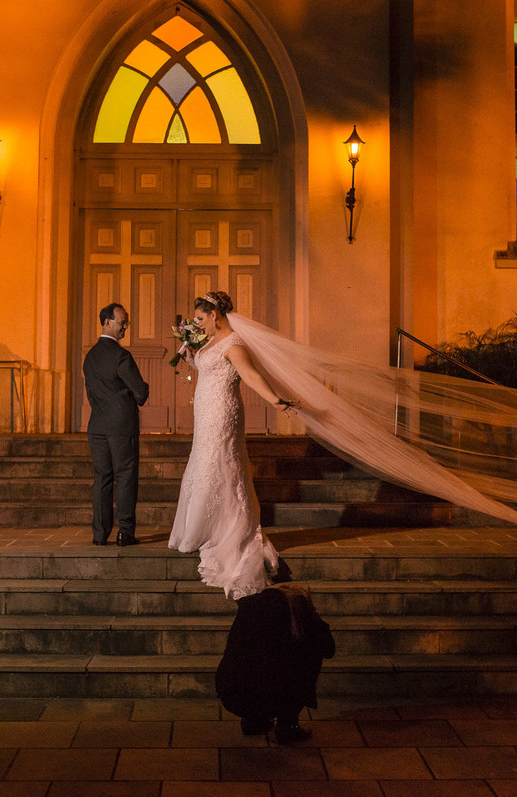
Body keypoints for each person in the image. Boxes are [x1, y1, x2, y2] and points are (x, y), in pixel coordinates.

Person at [168, 291, 298, 599]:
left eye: (200, 319)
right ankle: (203, 527)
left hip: (223, 413)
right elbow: (209, 370)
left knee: (222, 466)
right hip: (205, 411)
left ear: (215, 316)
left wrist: (275, 400)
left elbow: (250, 375)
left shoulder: (234, 343)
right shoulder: (209, 343)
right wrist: (190, 358)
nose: (197, 325)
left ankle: (228, 530)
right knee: (204, 463)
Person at [216, 583, 335, 743]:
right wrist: (314, 616)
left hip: (232, 694)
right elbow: (329, 649)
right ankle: (287, 726)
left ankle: (255, 721)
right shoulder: (298, 621)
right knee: (307, 656)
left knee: (260, 662)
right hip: (272, 696)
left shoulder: (250, 611)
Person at [83, 302, 149, 546]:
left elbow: (92, 392)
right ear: (107, 322)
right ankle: (125, 532)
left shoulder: (89, 356)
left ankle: (99, 535)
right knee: (125, 476)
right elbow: (140, 391)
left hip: (97, 426)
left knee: (102, 478)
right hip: (121, 427)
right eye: (122, 323)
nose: (125, 328)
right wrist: (138, 394)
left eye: (126, 323)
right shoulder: (121, 355)